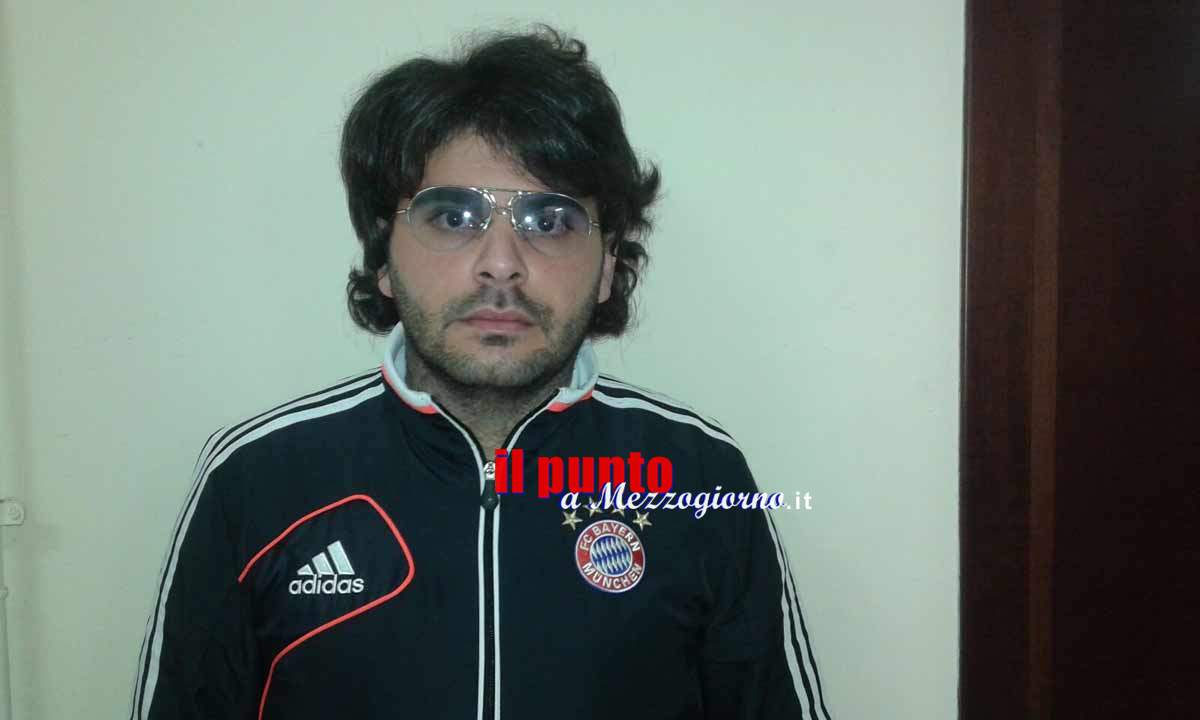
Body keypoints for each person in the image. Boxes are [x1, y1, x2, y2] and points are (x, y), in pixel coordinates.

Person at [130, 24, 833, 720]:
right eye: (453, 217)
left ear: (606, 267)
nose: (501, 263)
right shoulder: (254, 482)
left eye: (551, 221)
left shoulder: (701, 478)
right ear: (383, 256)